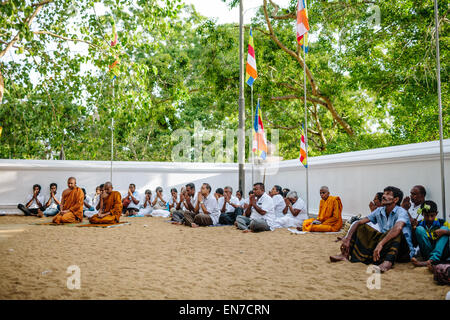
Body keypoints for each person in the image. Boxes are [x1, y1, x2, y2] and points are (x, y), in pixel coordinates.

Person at [330, 186, 415, 272]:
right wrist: (347, 239)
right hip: (386, 246)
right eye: (384, 193)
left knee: (396, 232)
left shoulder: (401, 211)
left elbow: (398, 228)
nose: (384, 196)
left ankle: (387, 263)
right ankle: (345, 255)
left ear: (396, 200)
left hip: (402, 251)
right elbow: (358, 222)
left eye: (388, 194)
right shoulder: (380, 210)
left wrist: (380, 244)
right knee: (361, 227)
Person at [411, 201, 450, 267]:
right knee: (419, 229)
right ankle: (430, 260)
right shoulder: (419, 224)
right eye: (426, 215)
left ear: (436, 213)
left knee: (445, 229)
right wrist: (414, 229)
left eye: (432, 215)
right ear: (422, 214)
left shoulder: (442, 222)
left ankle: (432, 260)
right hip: (427, 255)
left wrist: (445, 232)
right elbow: (414, 244)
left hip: (442, 254)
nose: (429, 218)